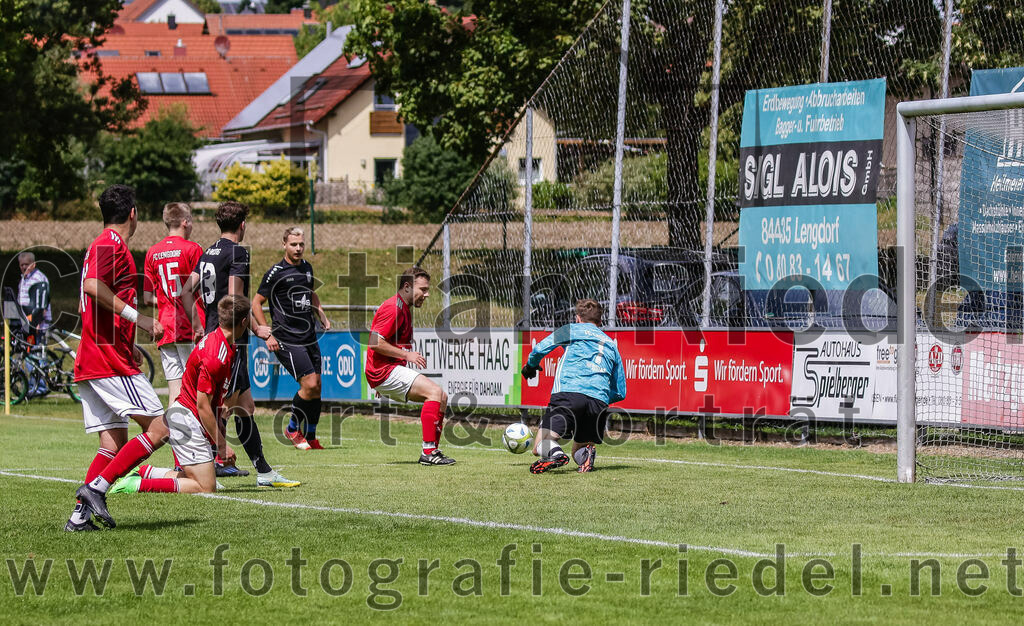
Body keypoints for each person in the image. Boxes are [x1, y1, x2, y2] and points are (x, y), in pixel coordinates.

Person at [65, 184, 168, 531]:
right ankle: (97, 488)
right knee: (160, 428)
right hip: (107, 360)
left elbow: (97, 301)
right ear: (133, 213)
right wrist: (138, 320)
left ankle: (78, 519)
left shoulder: (105, 244)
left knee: (113, 442)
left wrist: (130, 344)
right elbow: (94, 286)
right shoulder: (110, 243)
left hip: (100, 355)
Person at [180, 201, 299, 488]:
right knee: (218, 405)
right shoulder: (238, 252)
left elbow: (184, 290)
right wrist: (258, 329)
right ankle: (203, 465)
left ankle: (264, 470)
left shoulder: (208, 251)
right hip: (229, 340)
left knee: (243, 405)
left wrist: (198, 325)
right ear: (242, 225)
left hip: (214, 333)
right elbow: (234, 299)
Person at [110, 295, 252, 496]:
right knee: (205, 487)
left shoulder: (224, 342)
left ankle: (143, 472)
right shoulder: (215, 354)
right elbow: (202, 406)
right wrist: (222, 445)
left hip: (188, 418)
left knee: (199, 480)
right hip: (188, 421)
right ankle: (136, 485)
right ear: (244, 321)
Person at [521, 299, 626, 474]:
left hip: (569, 393)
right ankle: (585, 456)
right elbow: (620, 391)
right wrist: (598, 396)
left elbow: (540, 349)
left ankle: (554, 455)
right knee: (578, 450)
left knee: (539, 445)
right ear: (600, 322)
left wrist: (531, 365)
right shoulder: (611, 344)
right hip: (598, 402)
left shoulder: (571, 329)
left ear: (578, 318)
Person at [365, 267, 454, 466]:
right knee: (433, 392)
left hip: (385, 371)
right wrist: (405, 357)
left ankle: (433, 451)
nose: (427, 294)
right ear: (407, 286)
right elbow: (373, 341)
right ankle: (428, 452)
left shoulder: (403, 307)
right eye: (423, 289)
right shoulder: (394, 308)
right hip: (383, 371)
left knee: (442, 397)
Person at [251, 227, 330, 449]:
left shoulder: (307, 268)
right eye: (293, 244)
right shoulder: (275, 272)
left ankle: (311, 435)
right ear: (284, 245)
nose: (298, 248)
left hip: (309, 335)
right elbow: (256, 302)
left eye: (301, 244)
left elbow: (310, 293)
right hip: (287, 337)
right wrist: (266, 332)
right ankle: (293, 428)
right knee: (309, 384)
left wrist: (320, 313)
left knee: (318, 387)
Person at [143, 203, 204, 404]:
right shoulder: (193, 249)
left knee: (175, 391)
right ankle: (197, 435)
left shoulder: (152, 252)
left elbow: (147, 297)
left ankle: (176, 434)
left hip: (166, 328)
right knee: (197, 389)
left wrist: (166, 299)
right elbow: (205, 291)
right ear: (185, 222)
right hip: (190, 326)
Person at [17, 251, 51, 396]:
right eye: (22, 265)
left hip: (37, 325)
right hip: (26, 324)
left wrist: (35, 324)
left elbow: (41, 305)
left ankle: (40, 386)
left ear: (34, 264)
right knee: (29, 354)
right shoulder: (24, 279)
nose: (24, 267)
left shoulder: (39, 279)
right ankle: (32, 384)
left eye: (27, 265)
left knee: (36, 354)